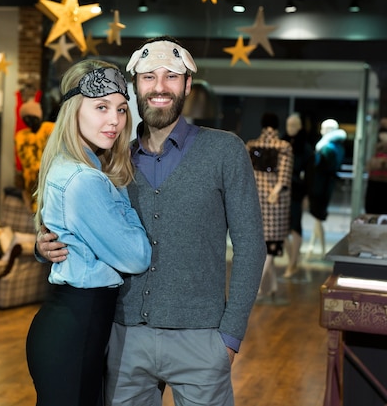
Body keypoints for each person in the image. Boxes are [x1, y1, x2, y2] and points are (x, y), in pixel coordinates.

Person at [37, 36, 266, 406]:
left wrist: (230, 337)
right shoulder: (113, 156)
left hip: (202, 341)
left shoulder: (225, 151)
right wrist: (41, 246)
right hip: (125, 340)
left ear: (187, 85)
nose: (159, 87)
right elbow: (73, 215)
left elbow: (251, 247)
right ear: (135, 85)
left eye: (171, 76)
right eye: (148, 77)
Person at [25, 59, 152, 406]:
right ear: (73, 111)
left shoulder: (78, 166)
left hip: (77, 325)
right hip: (75, 329)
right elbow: (137, 256)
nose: (114, 120)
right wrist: (121, 189)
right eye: (101, 107)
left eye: (122, 109)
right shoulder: (86, 179)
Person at [246, 112, 293, 302]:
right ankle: (254, 288)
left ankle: (272, 286)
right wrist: (275, 190)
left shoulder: (251, 145)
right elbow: (285, 174)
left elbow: (246, 172)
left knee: (261, 243)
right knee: (272, 246)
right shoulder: (284, 147)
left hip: (254, 198)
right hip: (275, 202)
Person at [305, 118, 346, 258]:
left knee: (318, 216)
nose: (321, 131)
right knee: (318, 218)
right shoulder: (336, 147)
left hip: (320, 186)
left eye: (323, 128)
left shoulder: (327, 148)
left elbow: (321, 168)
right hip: (324, 185)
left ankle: (318, 250)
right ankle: (314, 248)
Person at [281, 113, 314, 278]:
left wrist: (307, 195)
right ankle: (292, 260)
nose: (291, 128)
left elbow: (309, 174)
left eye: (294, 125)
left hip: (297, 191)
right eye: (289, 125)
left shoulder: (305, 148)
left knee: (295, 226)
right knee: (282, 228)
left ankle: (292, 263)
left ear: (300, 127)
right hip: (282, 190)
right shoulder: (282, 143)